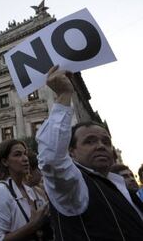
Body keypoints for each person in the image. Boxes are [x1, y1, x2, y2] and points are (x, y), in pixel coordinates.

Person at [36, 66, 143, 240]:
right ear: (71, 152)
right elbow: (51, 159)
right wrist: (63, 96)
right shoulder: (74, 187)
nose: (101, 146)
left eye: (106, 142)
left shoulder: (120, 185)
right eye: (90, 141)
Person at [0, 139, 50, 241]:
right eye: (17, 154)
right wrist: (32, 225)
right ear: (5, 161)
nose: (25, 158)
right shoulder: (1, 191)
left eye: (25, 154)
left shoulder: (29, 190)